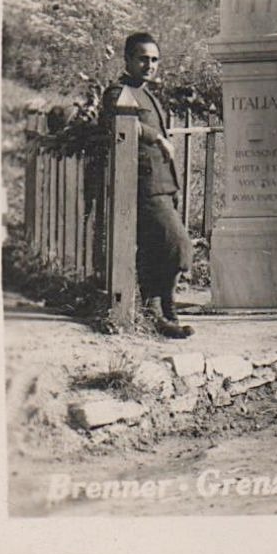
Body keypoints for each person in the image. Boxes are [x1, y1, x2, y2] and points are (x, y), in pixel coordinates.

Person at [100, 33, 195, 339]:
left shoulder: (148, 94)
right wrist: (156, 138)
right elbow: (120, 122)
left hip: (164, 184)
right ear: (127, 59)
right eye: (142, 58)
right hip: (143, 185)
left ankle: (164, 315)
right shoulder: (118, 91)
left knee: (155, 251)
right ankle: (157, 312)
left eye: (154, 59)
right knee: (177, 246)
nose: (149, 65)